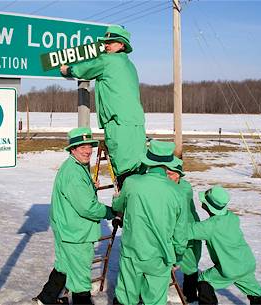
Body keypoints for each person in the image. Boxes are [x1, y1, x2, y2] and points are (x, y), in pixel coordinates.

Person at [33, 127, 115, 305]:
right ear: (72, 149)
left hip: (66, 229)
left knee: (64, 266)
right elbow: (88, 208)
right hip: (77, 233)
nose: (87, 151)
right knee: (80, 281)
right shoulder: (74, 173)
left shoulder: (74, 166)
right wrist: (111, 212)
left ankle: (45, 299)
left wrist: (89, 188)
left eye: (89, 146)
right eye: (82, 147)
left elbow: (76, 197)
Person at [60, 25, 146, 188]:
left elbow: (85, 69)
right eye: (105, 42)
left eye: (111, 42)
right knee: (138, 169)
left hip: (118, 122)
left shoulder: (108, 60)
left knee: (124, 172)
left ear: (122, 45)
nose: (106, 45)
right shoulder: (130, 65)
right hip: (136, 124)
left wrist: (67, 69)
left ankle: (126, 210)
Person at [111, 140, 188, 305]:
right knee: (155, 301)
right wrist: (178, 256)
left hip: (133, 252)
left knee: (126, 298)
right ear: (167, 164)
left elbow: (117, 205)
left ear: (148, 160)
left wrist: (117, 197)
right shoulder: (178, 192)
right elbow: (181, 232)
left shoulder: (131, 183)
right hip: (161, 256)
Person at [189, 185, 261, 305]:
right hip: (246, 264)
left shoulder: (209, 226)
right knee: (255, 292)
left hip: (229, 268)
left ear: (208, 206)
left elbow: (185, 232)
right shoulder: (232, 217)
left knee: (204, 280)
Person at [166, 164, 202, 303]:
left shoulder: (184, 188)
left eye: (170, 174)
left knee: (190, 260)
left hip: (188, 225)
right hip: (181, 225)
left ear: (178, 175)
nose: (167, 177)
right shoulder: (174, 185)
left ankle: (190, 294)